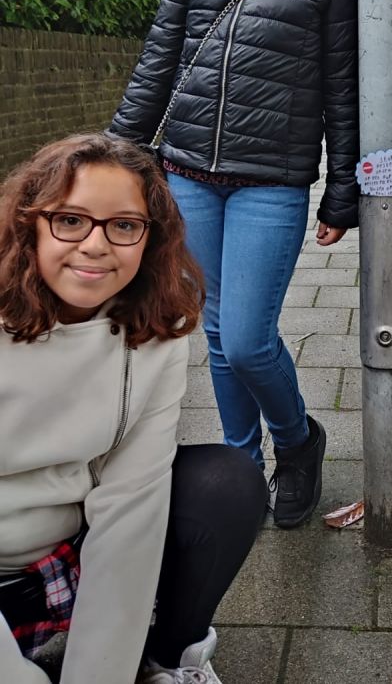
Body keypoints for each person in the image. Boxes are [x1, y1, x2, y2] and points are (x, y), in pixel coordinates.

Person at [109, 0, 359, 529]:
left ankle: (298, 440)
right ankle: (241, 468)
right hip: (186, 173)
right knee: (215, 334)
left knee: (248, 336)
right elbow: (157, 68)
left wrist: (340, 191)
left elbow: (342, 89)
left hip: (271, 182)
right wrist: (114, 158)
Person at [0, 133, 267, 684]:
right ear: (30, 223)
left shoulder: (156, 331)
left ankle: (167, 659)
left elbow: (132, 507)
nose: (97, 245)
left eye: (123, 225)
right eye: (70, 220)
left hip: (59, 565)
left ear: (151, 238)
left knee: (228, 481)